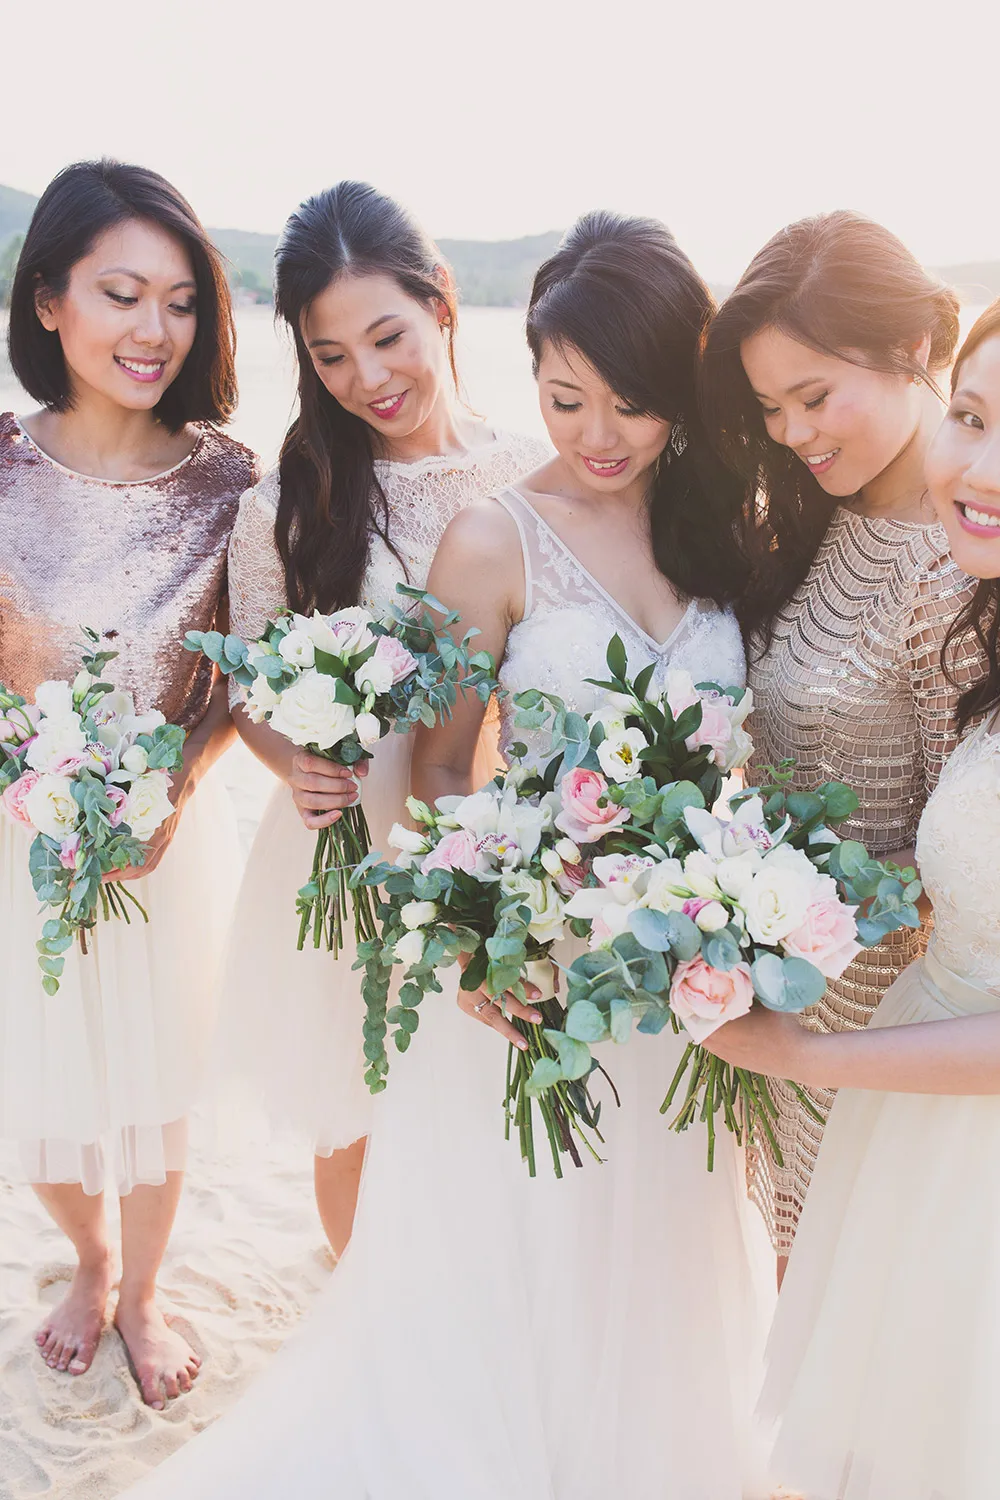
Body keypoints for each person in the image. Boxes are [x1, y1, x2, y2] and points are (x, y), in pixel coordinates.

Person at [120, 212, 773, 1500]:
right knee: (496, 1250)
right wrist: (474, 928)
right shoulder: (490, 537)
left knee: (658, 1248)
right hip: (523, 959)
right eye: (566, 396)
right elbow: (434, 760)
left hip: (679, 967)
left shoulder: (725, 538)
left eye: (629, 401)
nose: (595, 434)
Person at [702, 297, 1000, 1500]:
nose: (974, 467)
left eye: (813, 396)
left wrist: (807, 1052)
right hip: (899, 1079)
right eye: (974, 420)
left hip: (912, 1066)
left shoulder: (945, 581)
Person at [216, 180, 547, 1255]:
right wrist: (288, 761)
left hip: (494, 828)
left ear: (441, 304)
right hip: (346, 843)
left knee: (489, 1082)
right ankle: (354, 1315)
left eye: (385, 336)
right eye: (330, 355)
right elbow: (250, 685)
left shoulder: (532, 475)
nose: (367, 378)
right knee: (352, 1099)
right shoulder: (293, 496)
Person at [0, 159, 258, 1406]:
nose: (154, 330)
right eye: (119, 294)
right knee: (35, 1077)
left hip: (166, 835)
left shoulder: (230, 481)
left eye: (178, 301)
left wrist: (180, 786)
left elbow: (244, 677)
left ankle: (146, 1292)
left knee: (155, 1084)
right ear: (49, 302)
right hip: (18, 833)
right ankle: (89, 1262)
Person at [700, 210, 979, 1265]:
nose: (790, 432)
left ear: (915, 353)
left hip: (876, 1016)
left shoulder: (955, 573)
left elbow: (964, 855)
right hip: (782, 991)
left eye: (813, 398)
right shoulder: (809, 523)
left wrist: (792, 903)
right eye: (770, 406)